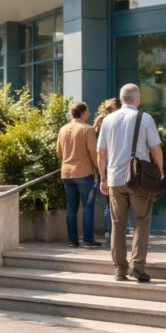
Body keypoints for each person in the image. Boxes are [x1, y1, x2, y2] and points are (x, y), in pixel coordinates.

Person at [97, 84, 164, 282]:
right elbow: (156, 148)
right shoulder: (144, 118)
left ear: (121, 98)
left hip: (115, 178)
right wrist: (160, 171)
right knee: (142, 221)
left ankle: (119, 269)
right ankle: (137, 266)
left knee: (117, 225)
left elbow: (100, 152)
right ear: (138, 99)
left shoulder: (108, 119)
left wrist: (102, 178)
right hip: (138, 179)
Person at [57, 102, 101, 248]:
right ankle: (88, 239)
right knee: (88, 206)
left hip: (66, 173)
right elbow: (93, 151)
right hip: (83, 172)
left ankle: (72, 240)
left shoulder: (63, 129)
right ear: (82, 113)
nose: (89, 113)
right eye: (87, 111)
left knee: (71, 207)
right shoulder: (87, 129)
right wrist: (99, 168)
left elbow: (59, 152)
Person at [93, 98, 118, 247]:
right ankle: (114, 234)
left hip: (104, 168)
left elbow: (98, 152)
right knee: (115, 204)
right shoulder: (113, 124)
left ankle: (109, 235)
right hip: (114, 168)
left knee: (109, 204)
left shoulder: (97, 125)